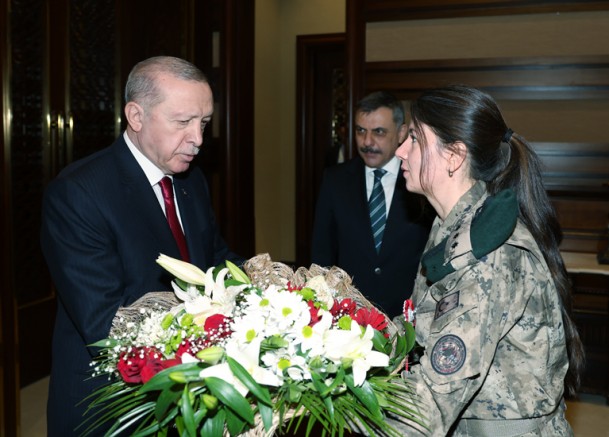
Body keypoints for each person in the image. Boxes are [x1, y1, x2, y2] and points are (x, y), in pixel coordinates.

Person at [40, 56, 244, 436]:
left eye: (203, 123)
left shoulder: (191, 179)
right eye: (182, 122)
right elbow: (106, 324)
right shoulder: (78, 193)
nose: (198, 139)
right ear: (136, 116)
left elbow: (214, 261)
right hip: (111, 405)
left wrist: (273, 293)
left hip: (189, 390)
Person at [394, 84, 585, 435]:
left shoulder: (488, 255)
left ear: (454, 156)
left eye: (415, 139)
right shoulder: (453, 227)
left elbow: (426, 412)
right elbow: (421, 324)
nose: (400, 151)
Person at [311, 91, 432, 318]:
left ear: (401, 133)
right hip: (349, 317)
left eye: (378, 132)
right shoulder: (335, 180)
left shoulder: (421, 182)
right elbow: (322, 254)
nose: (367, 142)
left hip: (409, 316)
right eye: (360, 131)